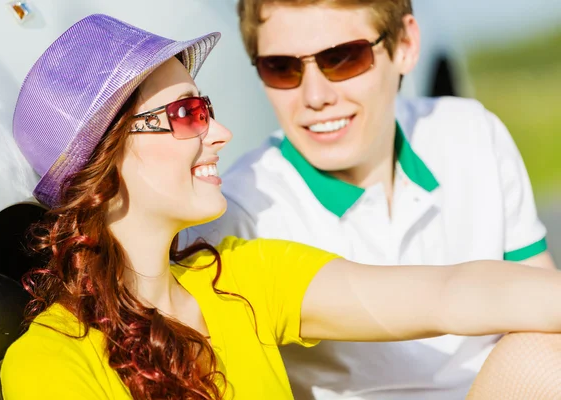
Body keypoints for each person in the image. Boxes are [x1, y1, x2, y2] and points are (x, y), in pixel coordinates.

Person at [0, 13, 561, 400]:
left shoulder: (243, 277)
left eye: (208, 108)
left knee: (541, 357)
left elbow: (450, 294)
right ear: (106, 156)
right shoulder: (50, 361)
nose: (220, 132)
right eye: (188, 114)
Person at [186, 0, 559, 399]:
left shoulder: (472, 133)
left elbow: (542, 306)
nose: (315, 96)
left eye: (343, 58)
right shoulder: (243, 211)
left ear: (405, 45)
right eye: (281, 67)